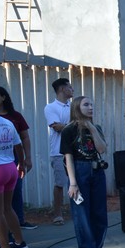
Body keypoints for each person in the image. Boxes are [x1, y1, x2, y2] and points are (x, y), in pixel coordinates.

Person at [60, 96, 109, 248]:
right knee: (82, 214)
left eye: (91, 105)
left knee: (99, 212)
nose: (90, 107)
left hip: (96, 171)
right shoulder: (69, 130)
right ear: (76, 107)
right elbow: (68, 159)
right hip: (79, 172)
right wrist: (73, 183)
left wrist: (92, 129)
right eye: (86, 104)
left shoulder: (96, 127)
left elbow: (102, 149)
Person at [0, 86, 36, 230]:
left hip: (12, 160)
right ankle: (0, 228)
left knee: (15, 191)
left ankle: (19, 221)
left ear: (3, 97)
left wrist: (27, 159)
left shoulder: (15, 117)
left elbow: (24, 138)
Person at [0, 113, 29, 248]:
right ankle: (20, 243)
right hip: (10, 167)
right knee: (8, 208)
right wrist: (21, 163)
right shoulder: (6, 122)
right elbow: (18, 145)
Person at [44, 78, 73, 225]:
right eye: (70, 87)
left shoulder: (73, 106)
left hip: (75, 152)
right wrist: (75, 125)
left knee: (76, 182)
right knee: (60, 184)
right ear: (62, 89)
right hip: (58, 153)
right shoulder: (50, 107)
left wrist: (67, 125)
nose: (72, 90)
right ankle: (57, 214)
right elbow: (56, 127)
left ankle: (77, 210)